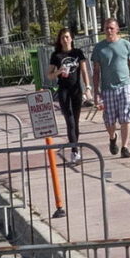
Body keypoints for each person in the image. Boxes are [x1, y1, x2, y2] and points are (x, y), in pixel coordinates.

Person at [89, 17, 130, 158]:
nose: (109, 31)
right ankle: (113, 138)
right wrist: (96, 92)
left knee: (126, 117)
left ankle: (125, 147)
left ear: (117, 29)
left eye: (112, 28)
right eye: (106, 28)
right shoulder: (99, 48)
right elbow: (96, 72)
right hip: (108, 89)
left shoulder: (126, 44)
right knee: (109, 120)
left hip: (125, 86)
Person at [47, 29, 87, 161]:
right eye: (63, 37)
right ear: (60, 40)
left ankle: (74, 146)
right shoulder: (56, 55)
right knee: (69, 120)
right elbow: (49, 75)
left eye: (67, 37)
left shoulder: (77, 53)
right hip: (63, 90)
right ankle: (74, 151)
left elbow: (84, 71)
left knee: (75, 121)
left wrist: (88, 87)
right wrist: (58, 72)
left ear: (72, 38)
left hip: (76, 89)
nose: (65, 40)